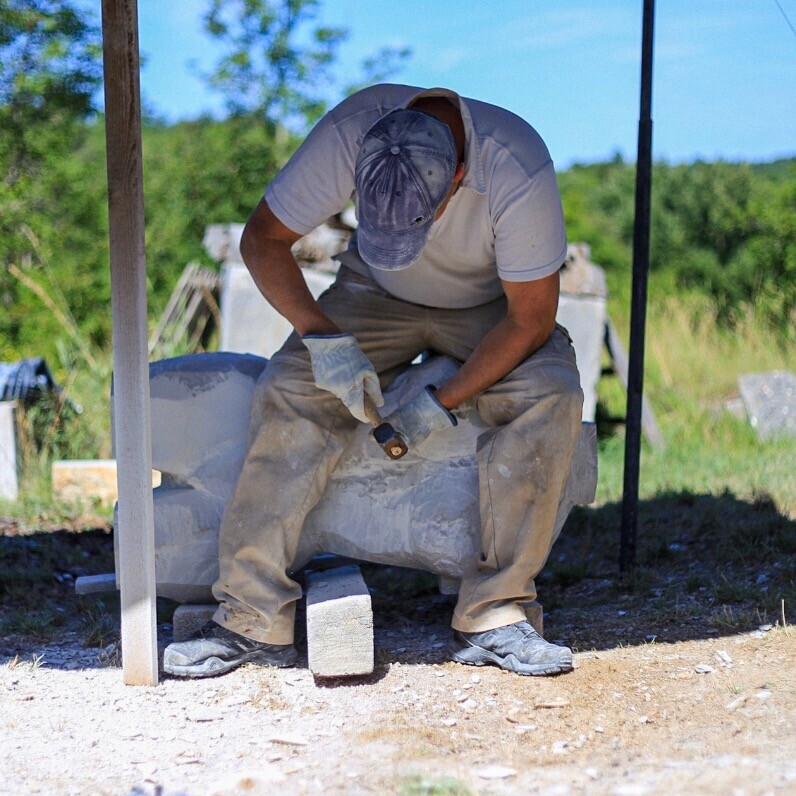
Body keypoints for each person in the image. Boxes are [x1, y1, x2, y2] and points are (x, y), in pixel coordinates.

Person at [163, 84, 583, 679]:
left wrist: (442, 402)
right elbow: (262, 240)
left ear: (460, 173)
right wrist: (322, 337)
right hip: (373, 293)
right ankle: (253, 615)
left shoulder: (515, 163)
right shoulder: (348, 132)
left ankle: (495, 611)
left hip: (493, 306)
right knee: (291, 389)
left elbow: (531, 318)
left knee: (552, 395)